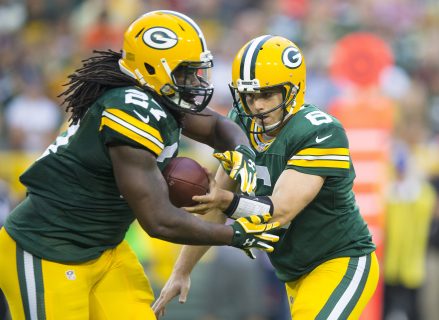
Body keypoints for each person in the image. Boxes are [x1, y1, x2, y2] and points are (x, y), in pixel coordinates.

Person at [0, 12, 281, 320]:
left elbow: (216, 127)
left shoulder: (152, 93)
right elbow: (159, 220)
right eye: (185, 73)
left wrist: (242, 151)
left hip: (104, 249)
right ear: (151, 68)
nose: (194, 81)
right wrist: (235, 235)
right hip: (47, 249)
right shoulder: (129, 108)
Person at [153, 35, 379, 319]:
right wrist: (181, 270)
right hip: (293, 270)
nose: (257, 105)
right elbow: (216, 207)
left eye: (266, 94)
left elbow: (281, 210)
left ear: (292, 90)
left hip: (339, 261)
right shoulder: (242, 123)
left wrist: (225, 201)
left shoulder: (319, 131)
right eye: (249, 95)